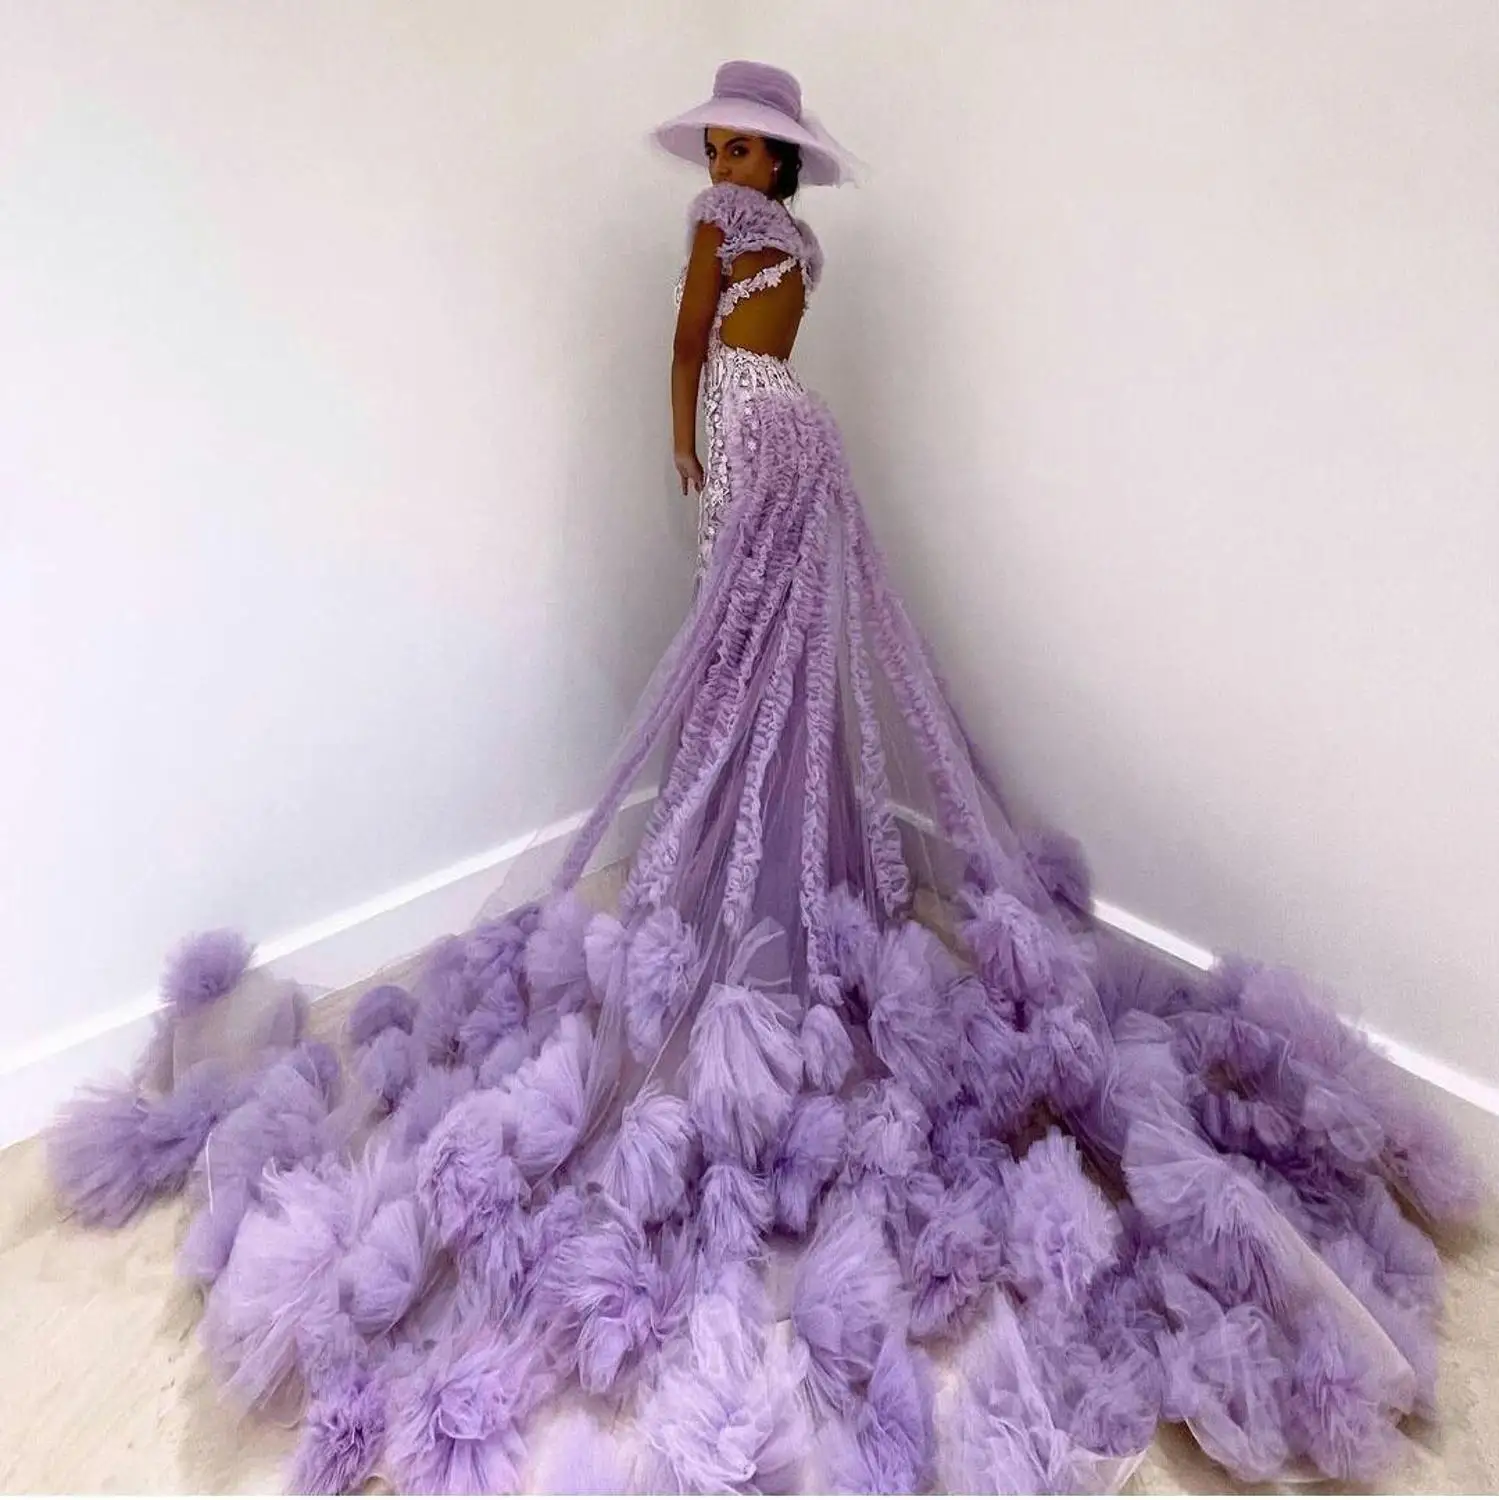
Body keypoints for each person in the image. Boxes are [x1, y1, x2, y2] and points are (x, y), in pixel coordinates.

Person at [48, 60, 1478, 1496]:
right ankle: (768, 873)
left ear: (778, 163)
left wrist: (691, 453)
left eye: (746, 147)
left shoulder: (737, 234)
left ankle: (773, 878)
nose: (727, 163)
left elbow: (692, 351)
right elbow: (719, 348)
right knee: (757, 663)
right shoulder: (769, 236)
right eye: (722, 144)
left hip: (763, 436)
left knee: (773, 664)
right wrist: (707, 455)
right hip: (783, 433)